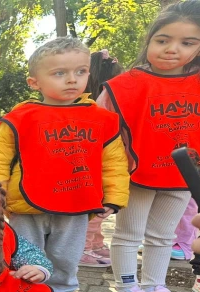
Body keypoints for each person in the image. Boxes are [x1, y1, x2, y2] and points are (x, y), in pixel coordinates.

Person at [0, 37, 130, 292]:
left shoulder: (102, 120)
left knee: (65, 257)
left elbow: (113, 163)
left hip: (76, 202)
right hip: (26, 204)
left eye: (80, 71)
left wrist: (114, 197)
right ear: (34, 82)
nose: (72, 80)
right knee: (25, 256)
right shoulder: (20, 118)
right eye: (59, 73)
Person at [100, 0, 200, 292]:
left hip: (183, 178)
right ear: (149, 40)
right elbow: (97, 129)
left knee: (164, 236)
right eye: (162, 40)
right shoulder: (124, 85)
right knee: (128, 234)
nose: (171, 49)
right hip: (137, 175)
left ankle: (154, 286)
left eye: (188, 42)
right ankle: (126, 290)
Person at [79, 50, 124, 268]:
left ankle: (95, 243)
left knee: (100, 208)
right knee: (97, 209)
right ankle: (82, 248)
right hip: (97, 164)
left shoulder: (91, 104)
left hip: (100, 162)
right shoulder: (99, 106)